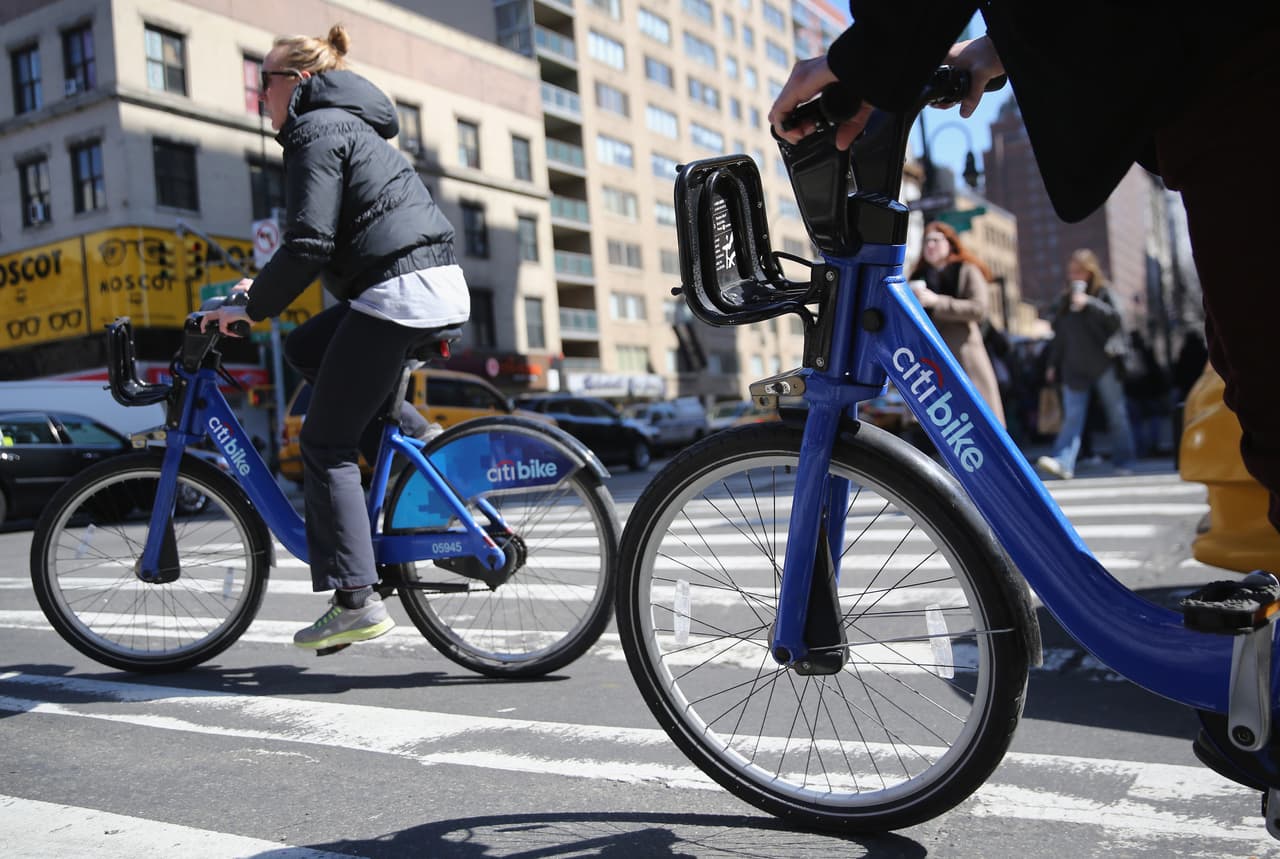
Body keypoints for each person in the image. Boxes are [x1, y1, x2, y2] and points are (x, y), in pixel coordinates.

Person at [768, 6, 1280, 523]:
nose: (937, 249)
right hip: (1215, 93)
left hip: (1234, 86)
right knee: (1249, 380)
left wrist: (871, 55)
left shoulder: (966, 270)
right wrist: (994, 50)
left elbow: (978, 308)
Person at [201, 25, 469, 650]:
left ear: (294, 82)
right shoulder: (345, 124)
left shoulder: (315, 129)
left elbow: (308, 244)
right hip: (415, 286)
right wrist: (256, 290)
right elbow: (317, 245)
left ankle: (356, 597)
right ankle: (413, 434)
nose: (256, 96)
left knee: (324, 444)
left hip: (400, 292)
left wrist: (253, 308)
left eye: (261, 83)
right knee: (306, 350)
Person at [1033, 250, 1136, 479]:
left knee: (1117, 414)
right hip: (1073, 367)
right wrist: (1052, 365)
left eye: (1079, 271)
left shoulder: (1103, 292)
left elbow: (1116, 319)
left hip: (1104, 363)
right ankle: (1064, 462)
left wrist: (1090, 303)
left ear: (1090, 271)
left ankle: (1124, 460)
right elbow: (1059, 336)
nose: (1074, 276)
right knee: (1072, 416)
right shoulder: (1064, 299)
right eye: (1071, 272)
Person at [909, 221, 1006, 426]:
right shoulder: (917, 277)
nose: (930, 245)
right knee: (949, 424)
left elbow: (979, 309)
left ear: (950, 243)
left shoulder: (967, 270)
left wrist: (938, 302)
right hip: (932, 358)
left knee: (982, 417)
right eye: (926, 241)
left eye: (936, 240)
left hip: (965, 353)